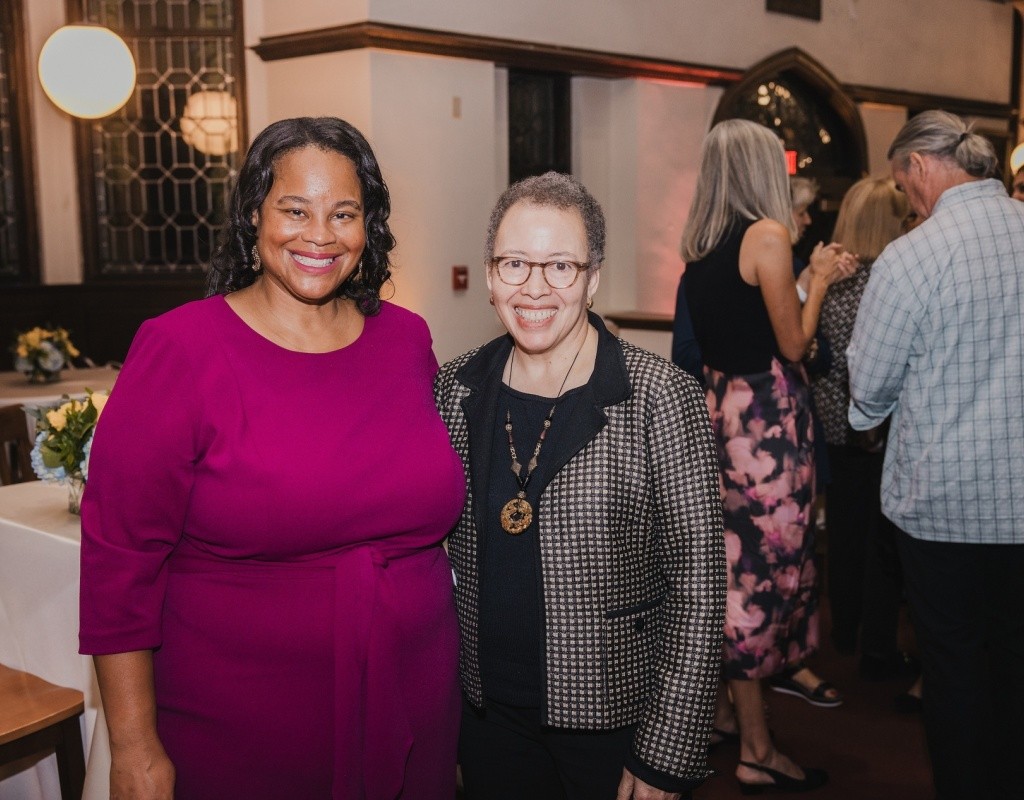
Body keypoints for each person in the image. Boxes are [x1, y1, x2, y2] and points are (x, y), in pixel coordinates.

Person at [79, 117, 466, 799]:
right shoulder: (181, 349)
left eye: (343, 213)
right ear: (252, 216)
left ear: (367, 227)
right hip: (241, 724)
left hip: (414, 697)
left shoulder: (405, 340)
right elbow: (120, 562)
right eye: (294, 209)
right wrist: (134, 750)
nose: (319, 235)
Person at [435, 171, 726, 800]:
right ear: (490, 276)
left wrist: (666, 752)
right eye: (514, 263)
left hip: (614, 723)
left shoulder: (658, 397)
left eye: (560, 266)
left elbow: (698, 586)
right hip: (488, 721)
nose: (534, 287)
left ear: (593, 279)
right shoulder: (455, 390)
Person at [848, 109, 1024, 800]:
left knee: (952, 668)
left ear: (920, 164)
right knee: (1016, 664)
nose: (906, 200)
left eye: (902, 186)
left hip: (944, 506)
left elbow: (869, 391)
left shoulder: (913, 255)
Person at [680, 119, 854, 794]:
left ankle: (729, 715)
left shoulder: (701, 247)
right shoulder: (767, 235)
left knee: (735, 572)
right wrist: (819, 287)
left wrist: (806, 277)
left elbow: (743, 330)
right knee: (763, 578)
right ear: (762, 170)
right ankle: (756, 749)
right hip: (769, 430)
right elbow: (793, 343)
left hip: (724, 417)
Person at [809, 178, 915, 677]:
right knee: (881, 543)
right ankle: (876, 645)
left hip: (831, 427)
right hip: (877, 427)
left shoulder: (830, 280)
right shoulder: (891, 279)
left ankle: (845, 630)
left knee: (846, 537)